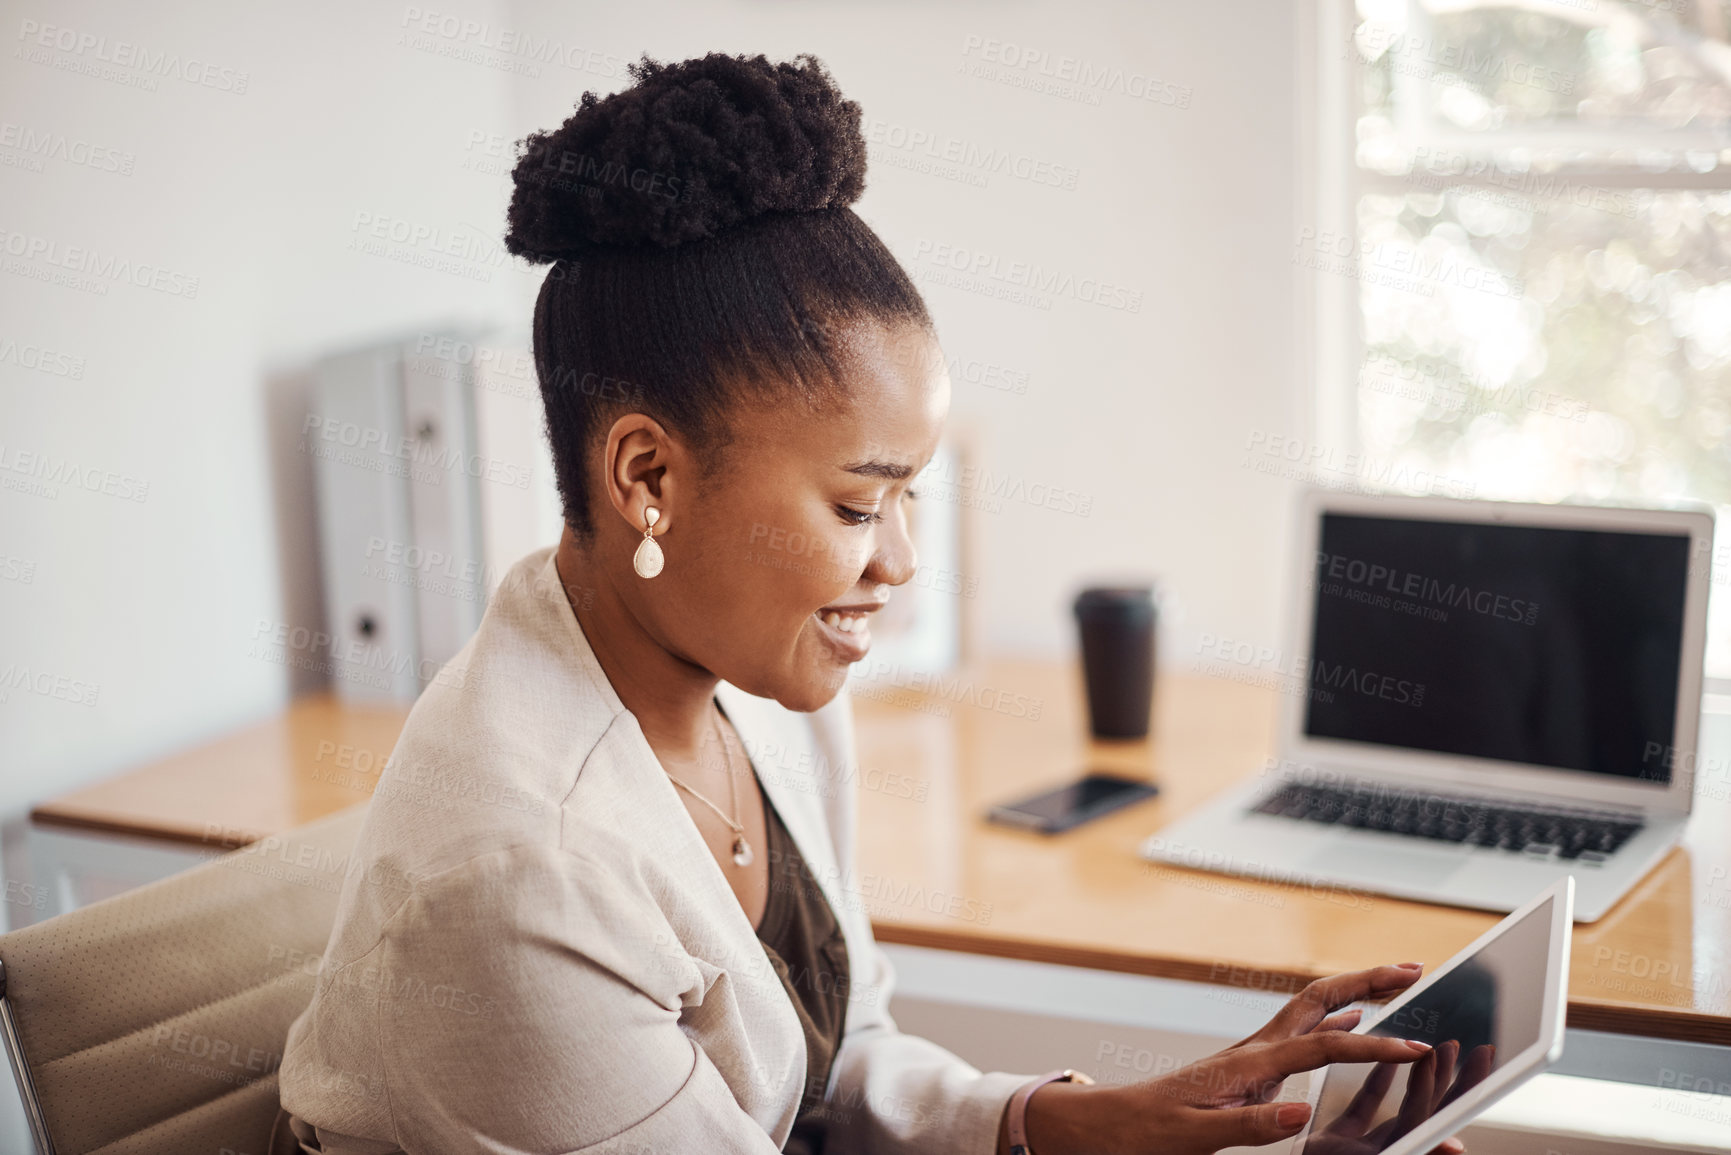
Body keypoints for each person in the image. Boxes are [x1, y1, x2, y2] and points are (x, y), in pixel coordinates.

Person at [276, 50, 1467, 1155]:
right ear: (648, 477)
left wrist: (1089, 1121)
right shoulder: (519, 878)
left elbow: (835, 1066)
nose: (898, 564)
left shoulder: (766, 683)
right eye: (856, 508)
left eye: (910, 499)